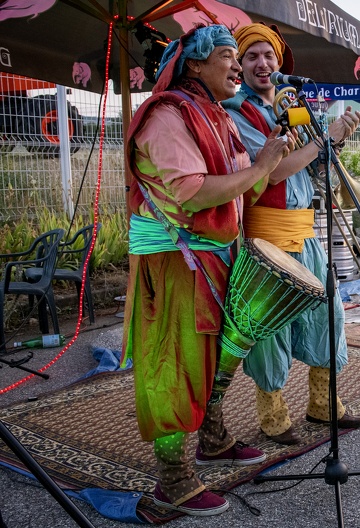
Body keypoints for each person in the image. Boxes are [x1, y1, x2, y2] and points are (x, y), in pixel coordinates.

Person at [122, 25, 292, 517]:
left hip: (215, 258)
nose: (238, 65)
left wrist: (271, 160)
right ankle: (171, 481)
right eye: (227, 55)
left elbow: (245, 186)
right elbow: (194, 192)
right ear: (194, 65)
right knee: (178, 365)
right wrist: (259, 168)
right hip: (176, 263)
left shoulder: (216, 116)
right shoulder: (169, 115)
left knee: (217, 354)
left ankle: (212, 439)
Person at [222, 23, 360, 446]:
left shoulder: (296, 107)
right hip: (265, 238)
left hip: (306, 233)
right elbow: (268, 171)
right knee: (271, 331)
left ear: (280, 61)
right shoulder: (235, 113)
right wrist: (325, 142)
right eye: (252, 57)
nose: (262, 63)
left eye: (269, 55)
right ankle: (273, 416)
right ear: (241, 66)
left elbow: (312, 170)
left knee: (328, 316)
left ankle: (323, 405)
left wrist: (332, 144)